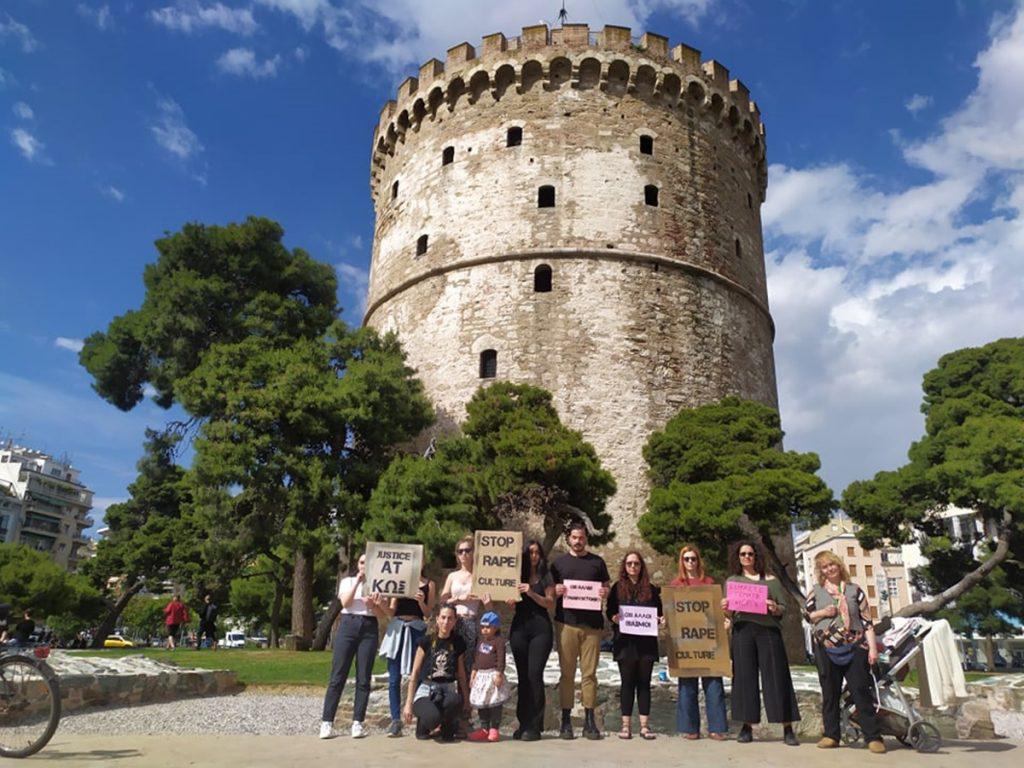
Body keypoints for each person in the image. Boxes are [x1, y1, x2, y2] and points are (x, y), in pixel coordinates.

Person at [804, 551, 886, 754]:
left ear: (839, 565)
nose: (829, 569)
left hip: (855, 646)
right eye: (824, 567)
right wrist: (824, 612)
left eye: (832, 564)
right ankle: (831, 735)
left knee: (860, 690)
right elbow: (808, 616)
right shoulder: (815, 591)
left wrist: (873, 650)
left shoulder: (854, 590)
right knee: (830, 693)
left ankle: (873, 737)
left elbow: (867, 622)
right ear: (820, 571)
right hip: (826, 649)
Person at [722, 540, 801, 745]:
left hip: (768, 631)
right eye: (743, 554)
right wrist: (725, 608)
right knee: (744, 679)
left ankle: (787, 727)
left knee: (777, 677)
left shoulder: (772, 581)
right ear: (737, 558)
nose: (747, 557)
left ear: (756, 556)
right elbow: (729, 614)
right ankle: (746, 726)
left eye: (750, 554)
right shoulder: (732, 581)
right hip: (743, 632)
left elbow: (783, 608)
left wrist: (774, 607)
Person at [320, 553, 390, 740]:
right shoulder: (348, 582)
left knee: (364, 677)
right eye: (361, 562)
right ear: (357, 565)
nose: (363, 565)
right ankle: (327, 722)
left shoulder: (377, 584)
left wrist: (374, 605)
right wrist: (358, 583)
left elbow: (382, 614)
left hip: (368, 627)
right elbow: (345, 603)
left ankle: (357, 723)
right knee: (338, 675)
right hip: (348, 624)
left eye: (367, 563)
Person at [550, 522, 610, 740]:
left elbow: (606, 586)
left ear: (586, 538)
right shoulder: (558, 564)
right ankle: (566, 721)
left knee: (589, 675)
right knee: (567, 674)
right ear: (568, 539)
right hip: (566, 624)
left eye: (581, 537)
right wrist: (555, 591)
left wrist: (604, 592)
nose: (578, 541)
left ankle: (589, 721)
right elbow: (550, 592)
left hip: (592, 626)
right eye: (574, 537)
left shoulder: (598, 562)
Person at [670, 544, 729, 741]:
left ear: (698, 561)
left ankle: (717, 728)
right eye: (686, 559)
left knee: (713, 684)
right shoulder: (676, 585)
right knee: (687, 686)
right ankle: (690, 728)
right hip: (685, 642)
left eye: (693, 558)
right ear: (682, 562)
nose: (690, 562)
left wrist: (723, 617)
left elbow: (715, 612)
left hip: (708, 640)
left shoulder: (709, 583)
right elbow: (672, 612)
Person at [606, 551, 663, 740]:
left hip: (646, 644)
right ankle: (625, 726)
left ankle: (645, 726)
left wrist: (660, 620)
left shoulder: (652, 590)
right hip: (625, 643)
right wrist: (613, 618)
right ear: (624, 566)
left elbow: (660, 613)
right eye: (629, 564)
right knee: (627, 684)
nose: (633, 567)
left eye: (636, 564)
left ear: (641, 566)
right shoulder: (617, 588)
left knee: (644, 684)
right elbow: (610, 612)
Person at [440, 535, 491, 737]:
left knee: (467, 669)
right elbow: (443, 599)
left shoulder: (482, 576)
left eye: (467, 550)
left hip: (471, 623)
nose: (463, 554)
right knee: (447, 666)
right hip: (452, 622)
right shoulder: (452, 576)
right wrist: (458, 598)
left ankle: (465, 717)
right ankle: (444, 716)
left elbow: (490, 606)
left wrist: (485, 602)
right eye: (460, 551)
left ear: (474, 553)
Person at [507, 539, 555, 741]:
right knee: (522, 677)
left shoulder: (546, 576)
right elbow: (511, 603)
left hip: (540, 630)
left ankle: (535, 725)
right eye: (530, 552)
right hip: (519, 628)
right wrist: (510, 599)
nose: (534, 556)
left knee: (535, 675)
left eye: (537, 552)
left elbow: (550, 603)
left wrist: (531, 593)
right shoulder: (516, 576)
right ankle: (523, 722)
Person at [380, 569, 436, 737]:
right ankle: (396, 719)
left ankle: (417, 714)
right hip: (398, 629)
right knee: (394, 677)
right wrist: (381, 605)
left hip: (417, 629)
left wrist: (420, 602)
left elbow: (428, 613)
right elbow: (391, 611)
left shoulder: (429, 584)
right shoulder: (398, 581)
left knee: (418, 674)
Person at [403, 603, 470, 742]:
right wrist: (408, 703)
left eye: (450, 618)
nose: (446, 622)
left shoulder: (457, 642)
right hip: (427, 689)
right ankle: (427, 723)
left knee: (456, 701)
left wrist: (467, 701)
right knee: (430, 721)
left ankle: (447, 727)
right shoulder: (426, 641)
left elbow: (461, 675)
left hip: (447, 688)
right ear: (438, 619)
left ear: (455, 621)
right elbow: (415, 673)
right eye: (443, 617)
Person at [468, 612, 511, 742]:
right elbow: (477, 658)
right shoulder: (480, 641)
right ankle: (484, 728)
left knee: (494, 702)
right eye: (482, 627)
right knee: (482, 702)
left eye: (488, 627)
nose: (484, 630)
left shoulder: (499, 641)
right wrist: (474, 672)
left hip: (493, 675)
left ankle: (494, 728)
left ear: (496, 628)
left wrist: (499, 673)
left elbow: (501, 659)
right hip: (481, 675)